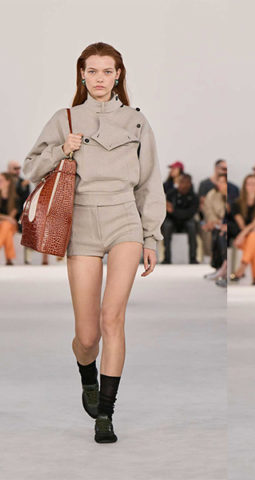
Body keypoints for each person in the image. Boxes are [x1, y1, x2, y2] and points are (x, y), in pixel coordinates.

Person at [23, 42, 165, 443]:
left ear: (118, 75)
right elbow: (31, 168)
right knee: (87, 337)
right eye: (92, 71)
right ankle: (88, 375)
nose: (99, 78)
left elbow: (149, 182)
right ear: (81, 75)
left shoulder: (136, 121)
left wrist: (151, 236)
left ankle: (106, 413)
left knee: (112, 318)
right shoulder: (64, 118)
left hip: (124, 220)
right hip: (81, 223)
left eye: (107, 71)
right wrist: (61, 149)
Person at [230, 174, 255, 284]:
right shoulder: (236, 204)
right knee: (254, 241)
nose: (252, 186)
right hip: (245, 236)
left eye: (254, 184)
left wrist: (242, 235)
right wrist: (244, 234)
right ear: (245, 186)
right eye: (249, 184)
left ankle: (242, 267)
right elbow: (241, 224)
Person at [161, 173, 199, 264]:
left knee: (192, 226)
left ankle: (193, 258)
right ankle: (167, 258)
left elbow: (189, 214)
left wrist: (173, 211)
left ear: (190, 184)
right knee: (166, 225)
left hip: (187, 220)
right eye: (181, 182)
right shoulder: (171, 194)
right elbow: (166, 211)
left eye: (185, 182)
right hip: (172, 220)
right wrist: (174, 212)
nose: (183, 185)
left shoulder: (194, 197)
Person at [0, 172, 18, 265]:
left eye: (1, 181)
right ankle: (9, 259)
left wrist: (4, 218)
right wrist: (6, 218)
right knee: (8, 233)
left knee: (6, 225)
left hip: (11, 225)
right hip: (4, 226)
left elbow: (12, 217)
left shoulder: (15, 198)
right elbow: (9, 218)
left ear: (8, 182)